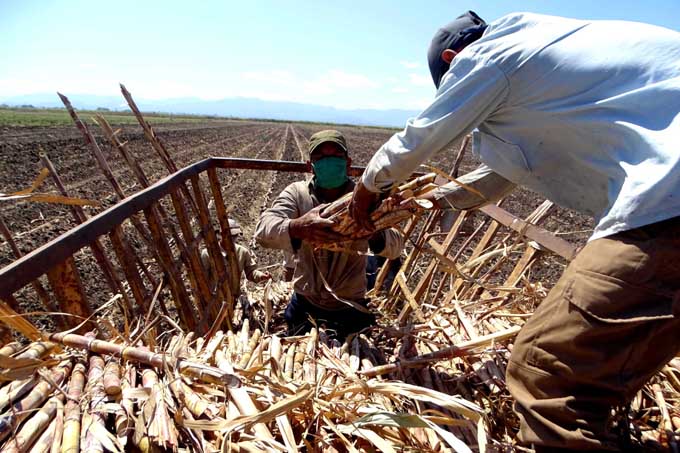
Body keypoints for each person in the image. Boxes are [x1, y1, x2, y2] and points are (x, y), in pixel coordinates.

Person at [349, 10, 680, 452]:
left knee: (548, 371)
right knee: (592, 365)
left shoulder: (491, 53)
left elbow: (419, 136)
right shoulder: (557, 56)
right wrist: (426, 201)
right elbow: (499, 176)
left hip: (668, 204)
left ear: (453, 58)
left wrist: (364, 195)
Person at [255, 130, 403, 339]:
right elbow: (263, 229)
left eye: (335, 156)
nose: (329, 162)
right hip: (305, 302)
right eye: (321, 157)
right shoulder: (297, 194)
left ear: (348, 163)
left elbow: (397, 246)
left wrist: (372, 232)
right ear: (310, 165)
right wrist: (298, 227)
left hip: (350, 306)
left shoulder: (365, 199)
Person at [200, 218, 271, 291]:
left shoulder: (242, 252)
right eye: (229, 236)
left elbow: (250, 271)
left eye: (235, 236)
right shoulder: (207, 254)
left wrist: (261, 276)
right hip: (216, 298)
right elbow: (202, 279)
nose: (232, 238)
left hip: (234, 296)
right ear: (221, 234)